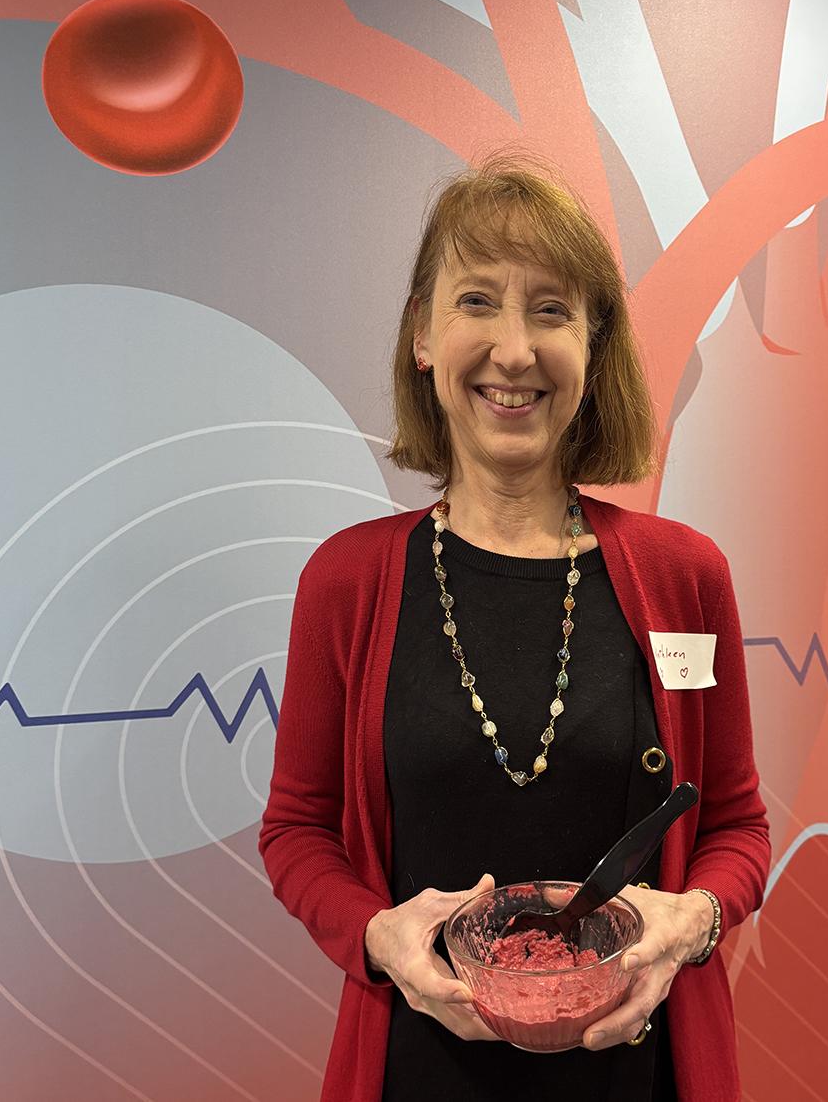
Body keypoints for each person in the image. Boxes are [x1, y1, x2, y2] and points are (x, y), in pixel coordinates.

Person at [259, 158, 770, 1102]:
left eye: (550, 311)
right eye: (478, 302)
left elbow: (735, 823)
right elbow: (297, 831)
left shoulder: (686, 575)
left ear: (592, 346)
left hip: (639, 1074)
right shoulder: (347, 581)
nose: (514, 349)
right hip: (419, 1072)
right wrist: (379, 939)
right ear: (423, 335)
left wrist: (693, 922)